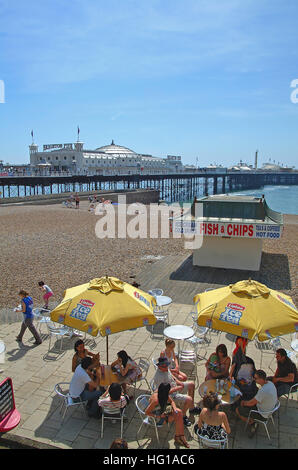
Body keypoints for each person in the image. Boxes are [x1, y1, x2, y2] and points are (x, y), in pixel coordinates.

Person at [152, 356, 199, 427]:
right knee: (189, 399)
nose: (166, 367)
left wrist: (179, 382)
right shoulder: (159, 378)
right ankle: (183, 416)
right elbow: (164, 393)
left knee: (192, 384)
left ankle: (191, 408)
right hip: (170, 396)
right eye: (164, 366)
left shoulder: (165, 369)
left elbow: (172, 377)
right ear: (159, 366)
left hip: (175, 387)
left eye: (167, 365)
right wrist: (178, 388)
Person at [145, 382, 190, 448]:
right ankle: (179, 437)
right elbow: (146, 412)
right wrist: (159, 416)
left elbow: (172, 401)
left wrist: (174, 408)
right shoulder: (156, 400)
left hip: (162, 411)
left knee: (179, 412)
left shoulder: (161, 394)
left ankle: (180, 436)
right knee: (178, 416)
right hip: (156, 419)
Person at [235, 369, 278, 437]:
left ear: (261, 379)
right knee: (249, 398)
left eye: (255, 378)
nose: (254, 380)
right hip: (270, 409)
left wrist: (243, 403)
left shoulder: (263, 391)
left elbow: (252, 403)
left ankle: (252, 423)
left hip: (262, 414)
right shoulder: (270, 383)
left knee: (237, 410)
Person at [229, 336, 258, 401]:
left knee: (238, 367)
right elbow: (241, 349)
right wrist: (243, 357)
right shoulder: (240, 339)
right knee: (235, 366)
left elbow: (244, 347)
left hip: (242, 353)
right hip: (238, 354)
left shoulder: (245, 338)